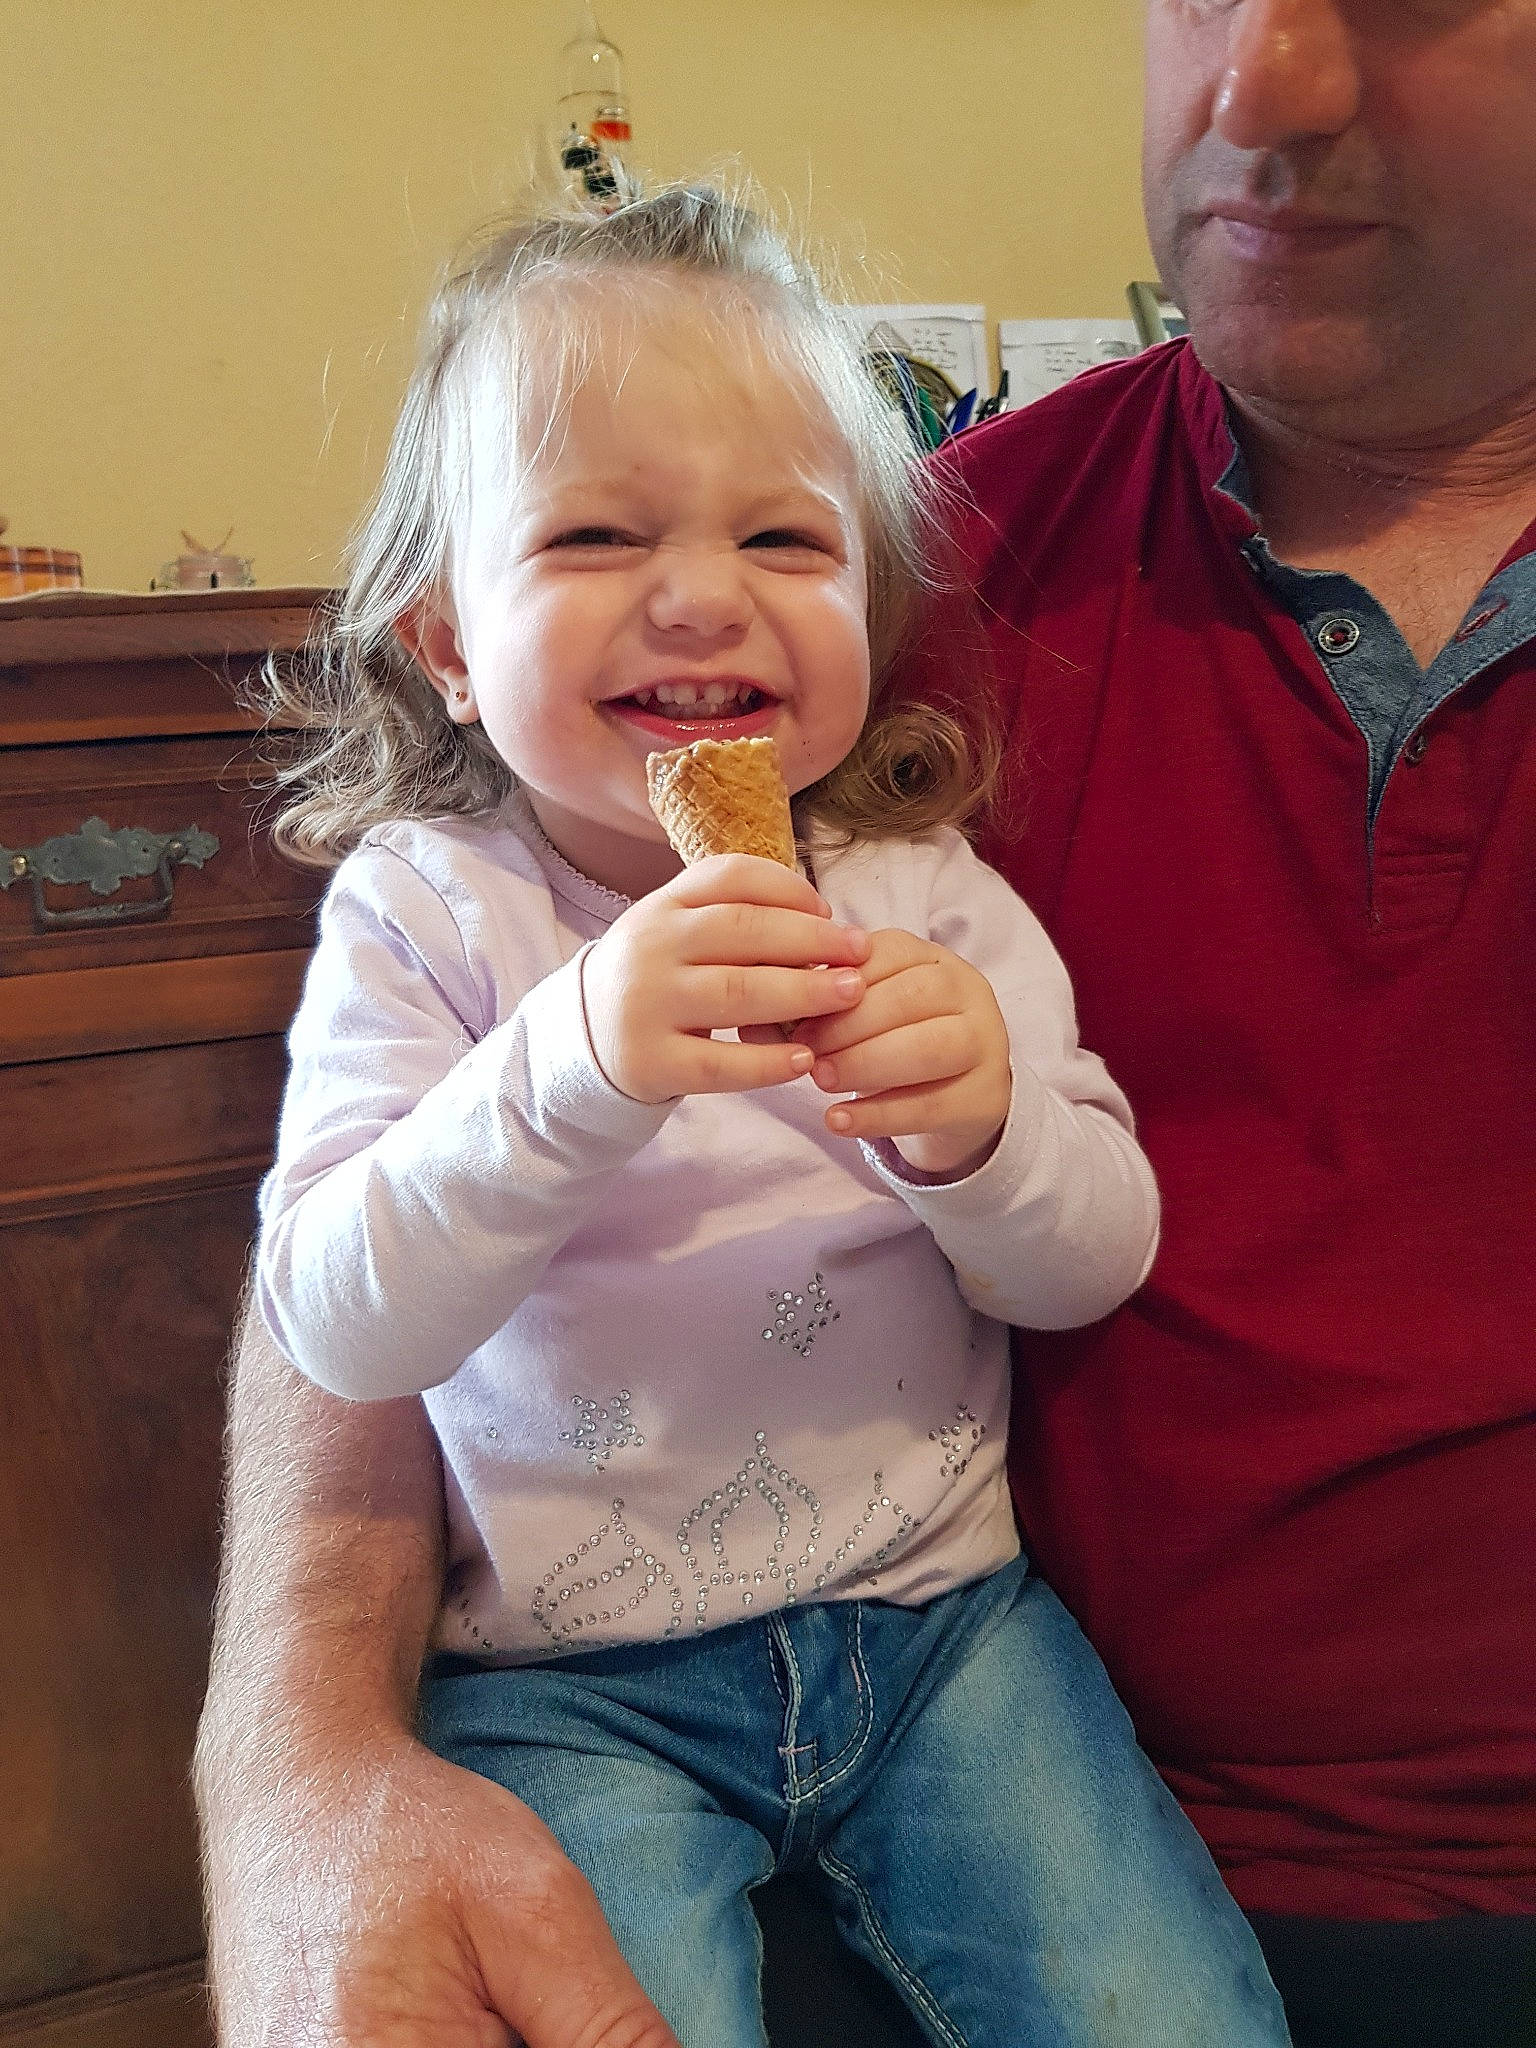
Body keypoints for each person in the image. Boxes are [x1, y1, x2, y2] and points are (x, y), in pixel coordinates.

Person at [196, 2, 1536, 2043]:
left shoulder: (912, 877)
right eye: (594, 535)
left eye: (783, 540)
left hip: (948, 1643)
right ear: (450, 642)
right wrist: (566, 1066)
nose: (706, 600)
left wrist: (988, 1129)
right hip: (577, 1683)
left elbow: (1086, 1246)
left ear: (866, 586)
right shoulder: (444, 908)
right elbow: (338, 1307)